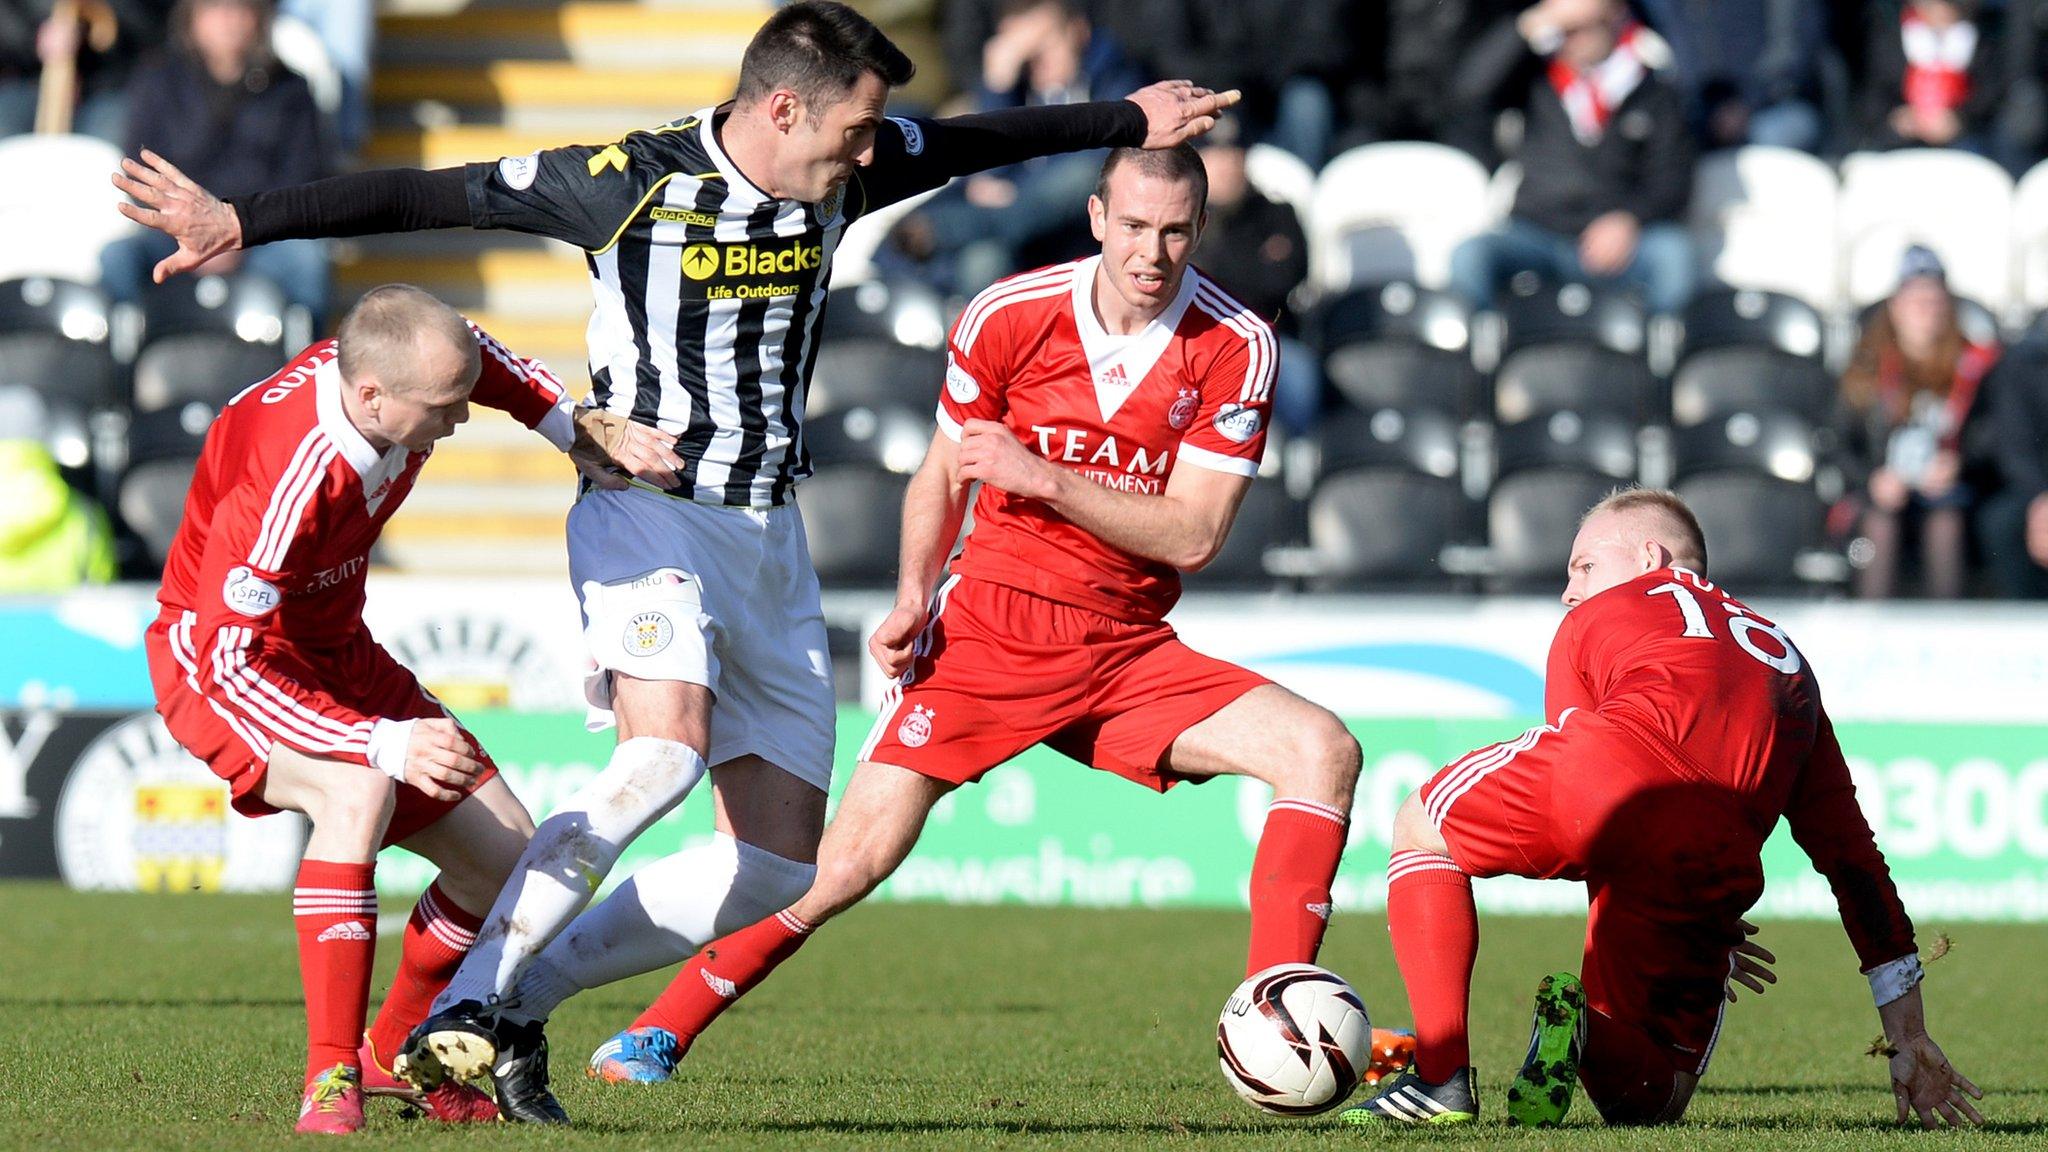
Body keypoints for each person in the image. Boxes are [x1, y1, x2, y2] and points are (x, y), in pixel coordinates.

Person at [113, 0, 1237, 1124]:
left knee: (776, 868)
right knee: (664, 759)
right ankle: (464, 1002)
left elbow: (975, 141)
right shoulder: (625, 180)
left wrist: (1119, 117)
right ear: (783, 107)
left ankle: (505, 1008)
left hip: (768, 537)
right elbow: (427, 191)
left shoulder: (848, 169)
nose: (870, 147)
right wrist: (241, 221)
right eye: (854, 126)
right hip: (646, 513)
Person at [568, 144, 1367, 1087]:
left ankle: (1274, 1019)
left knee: (1321, 751)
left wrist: (1044, 479)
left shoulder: (1238, 344)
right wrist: (913, 594)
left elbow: (1192, 535)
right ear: (1099, 217)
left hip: (1126, 649)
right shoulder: (1011, 313)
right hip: (989, 629)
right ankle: (660, 1028)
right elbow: (943, 473)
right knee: (846, 860)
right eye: (1137, 227)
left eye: (1178, 231)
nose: (1154, 251)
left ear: (1200, 229)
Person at [139, 284, 676, 1134]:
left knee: (505, 862)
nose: (460, 420)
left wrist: (566, 428)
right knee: (358, 793)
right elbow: (229, 656)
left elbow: (477, 355)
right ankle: (327, 1081)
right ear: (370, 398)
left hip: (336, 651)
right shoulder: (290, 474)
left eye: (459, 400)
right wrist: (381, 742)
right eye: (443, 408)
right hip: (224, 665)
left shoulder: (393, 374)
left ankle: (395, 1052)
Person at [1345, 488, 1981, 1129]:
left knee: (1422, 824)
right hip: (1718, 848)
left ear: (1651, 557)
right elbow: (1854, 860)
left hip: (1612, 776)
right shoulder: (1790, 662)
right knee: (1656, 1098)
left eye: (1584, 565)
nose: (1570, 591)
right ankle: (1585, 1033)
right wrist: (1907, 1032)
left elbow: (1588, 780)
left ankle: (1440, 1075)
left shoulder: (1595, 617)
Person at [1446, 0, 1697, 316]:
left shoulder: (1652, 90)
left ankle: (1666, 354)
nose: (1573, 38)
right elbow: (1469, 93)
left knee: (1672, 255)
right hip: (1536, 231)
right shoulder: (1535, 81)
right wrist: (1531, 23)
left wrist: (1629, 219)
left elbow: (1672, 180)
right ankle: (1474, 357)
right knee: (1472, 255)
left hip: (1618, 239)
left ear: (1614, 17)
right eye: (1564, 30)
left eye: (1585, 28)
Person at [892, 0, 1148, 296]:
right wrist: (998, 85)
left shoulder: (1114, 75)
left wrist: (1015, 194)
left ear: (1078, 31)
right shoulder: (1017, 90)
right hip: (1020, 239)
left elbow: (1103, 166)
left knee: (1083, 175)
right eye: (1024, 53)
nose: (1035, 60)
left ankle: (945, 229)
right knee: (984, 259)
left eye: (1043, 46)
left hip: (1078, 234)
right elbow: (990, 174)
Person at [100, 0, 330, 328]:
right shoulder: (159, 81)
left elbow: (302, 176)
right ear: (191, 19)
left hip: (260, 238)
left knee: (305, 264)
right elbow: (139, 169)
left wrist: (239, 229)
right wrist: (193, 231)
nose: (227, 21)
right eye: (214, 9)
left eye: (239, 9)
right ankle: (125, 369)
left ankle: (304, 368)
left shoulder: (290, 89)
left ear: (259, 18)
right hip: (173, 234)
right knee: (117, 258)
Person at [1834, 245, 1997, 600]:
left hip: (1946, 498)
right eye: (1915, 302)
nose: (1925, 312)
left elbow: (1991, 440)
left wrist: (1958, 465)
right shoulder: (1866, 368)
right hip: (1880, 498)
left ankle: (1945, 631)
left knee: (1946, 524)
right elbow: (1837, 445)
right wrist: (1872, 481)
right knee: (1880, 525)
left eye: (1934, 302)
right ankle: (1870, 632)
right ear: (1895, 308)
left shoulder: (1972, 367)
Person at [1189, 112, 1315, 435]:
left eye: (1234, 154)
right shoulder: (1179, 219)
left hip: (1270, 339)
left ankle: (1301, 466)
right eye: (1215, 156)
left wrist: (1219, 270)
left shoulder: (1277, 214)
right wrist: (1250, 265)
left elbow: (1287, 277)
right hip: (1194, 341)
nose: (1226, 166)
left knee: (1299, 375)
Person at [1858, 0, 2006, 157]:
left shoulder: (1984, 43)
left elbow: (1991, 98)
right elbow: (1874, 95)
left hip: (1966, 139)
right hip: (1899, 139)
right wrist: (1903, 120)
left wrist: (1958, 121)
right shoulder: (1892, 40)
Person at [1975, 338, 2048, 598]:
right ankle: (2022, 617)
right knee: (2002, 523)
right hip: (2034, 486)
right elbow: (2015, 443)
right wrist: (2041, 500)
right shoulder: (2025, 362)